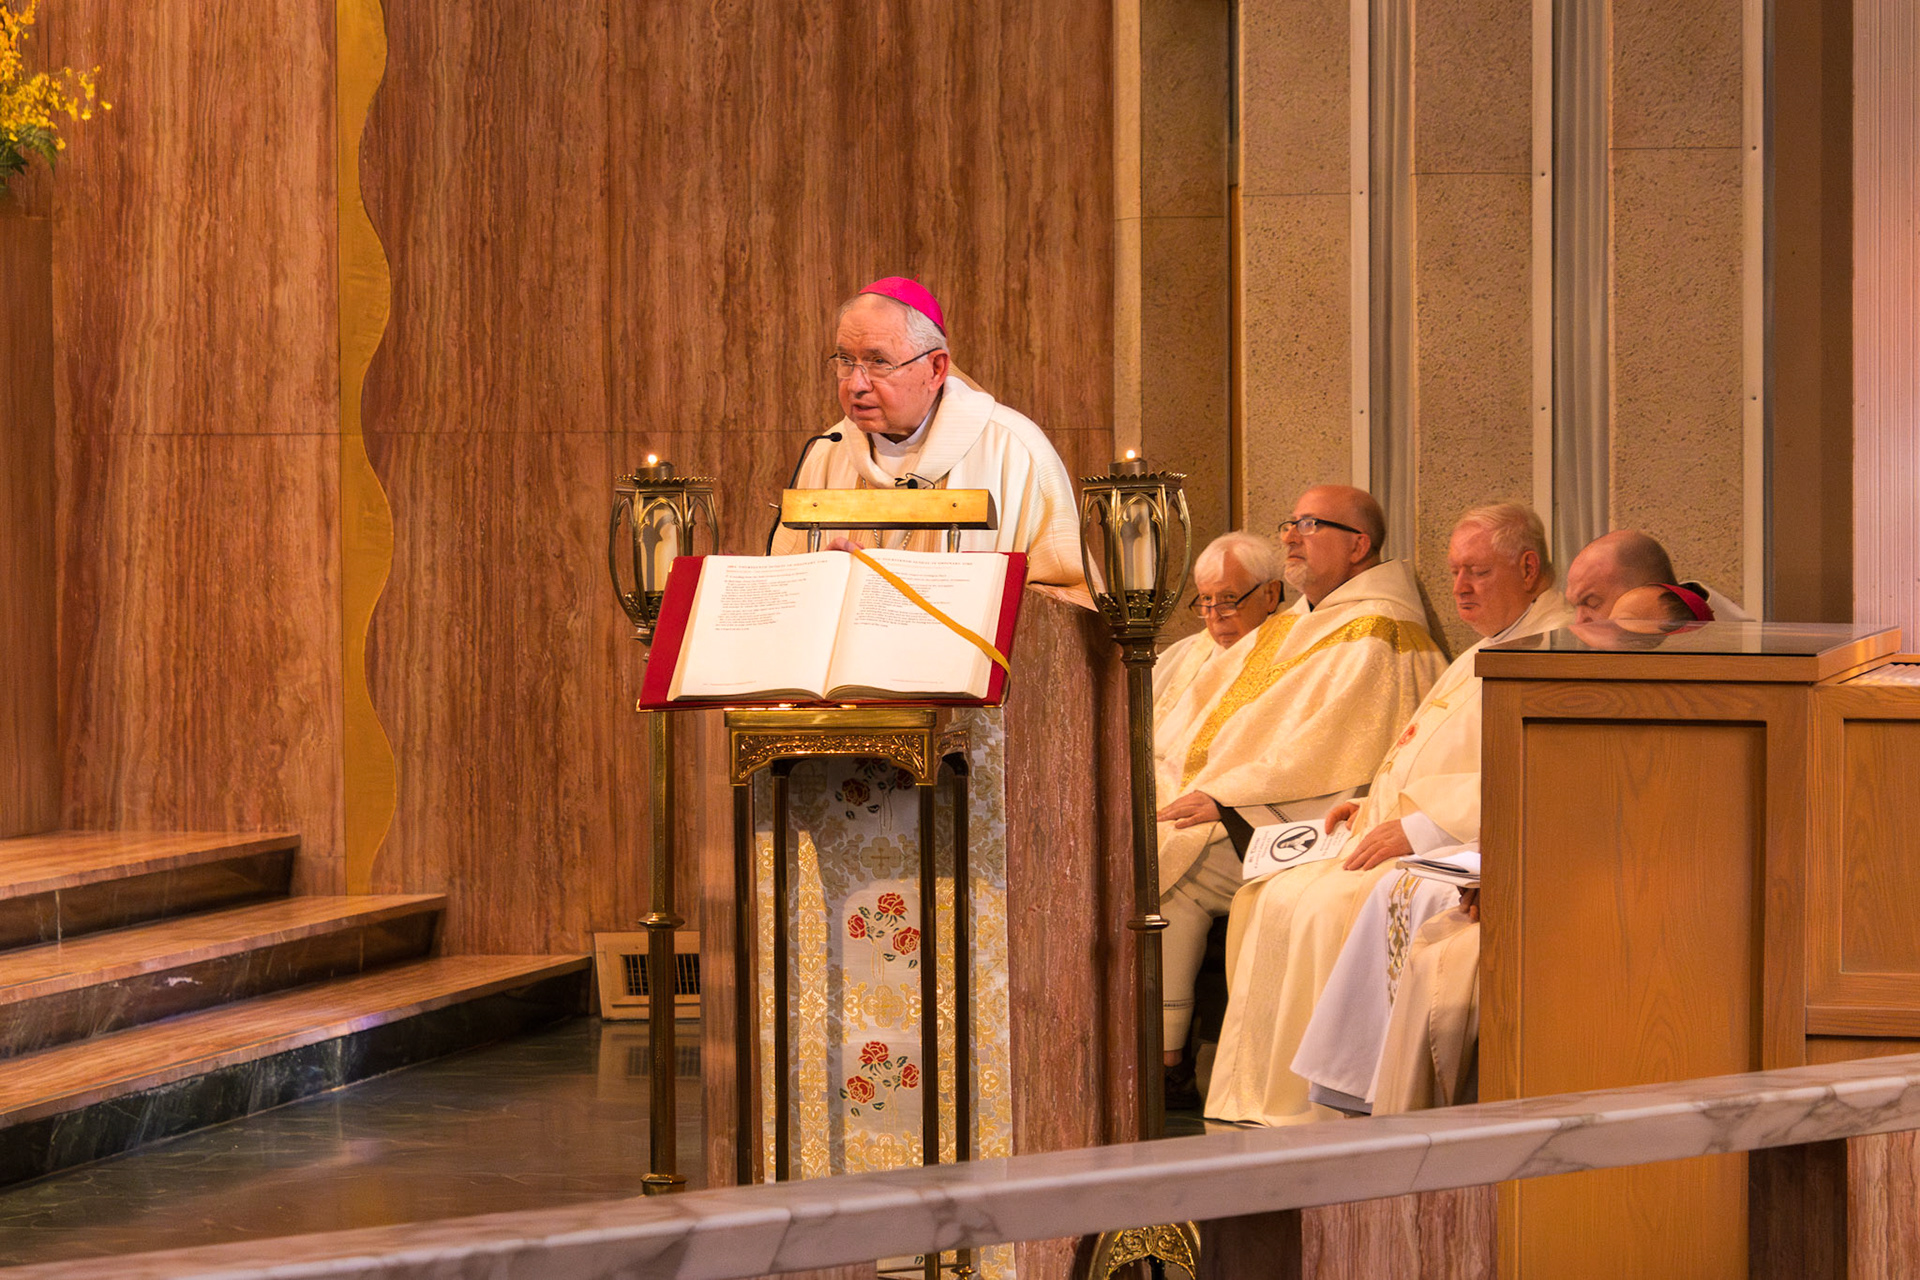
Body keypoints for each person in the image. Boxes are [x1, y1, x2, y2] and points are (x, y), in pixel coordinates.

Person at [1290, 534, 1712, 1116]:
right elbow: (1531, 776)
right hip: (1540, 853)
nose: (1581, 622)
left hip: (1617, 890)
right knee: (1402, 893)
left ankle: (1408, 1102)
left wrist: (1505, 864)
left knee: (1420, 919)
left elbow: (1625, 811)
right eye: (1579, 605)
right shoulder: (1553, 657)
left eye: (1593, 605)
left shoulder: (1677, 682)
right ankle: (1367, 1093)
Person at [1206, 503, 1574, 1126]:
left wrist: (1419, 825)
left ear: (1529, 568)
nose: (1460, 587)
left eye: (1478, 571)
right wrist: (1371, 802)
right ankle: (1264, 1100)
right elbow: (1427, 748)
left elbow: (1540, 771)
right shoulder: (1496, 642)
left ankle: (1328, 1104)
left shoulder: (1551, 647)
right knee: (1269, 896)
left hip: (1460, 844)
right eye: (1454, 571)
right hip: (1421, 830)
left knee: (1319, 907)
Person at [1151, 494, 1446, 1091]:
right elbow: (1205, 715)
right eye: (1289, 523)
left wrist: (1225, 797)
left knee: (1171, 869)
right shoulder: (1295, 623)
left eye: (1309, 525)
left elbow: (1329, 748)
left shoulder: (1380, 630)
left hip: (1308, 819)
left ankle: (1165, 1061)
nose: (1290, 536)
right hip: (1238, 802)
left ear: (1358, 545)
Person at [766, 277, 1085, 586]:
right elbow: (783, 585)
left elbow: (1064, 595)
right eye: (846, 361)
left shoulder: (1015, 450)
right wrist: (821, 578)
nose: (856, 385)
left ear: (936, 369)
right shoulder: (828, 451)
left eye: (879, 362)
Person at [1563, 529, 1750, 623]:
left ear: (1646, 594)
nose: (1579, 623)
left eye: (1592, 603)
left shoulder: (1742, 653)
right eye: (1574, 607)